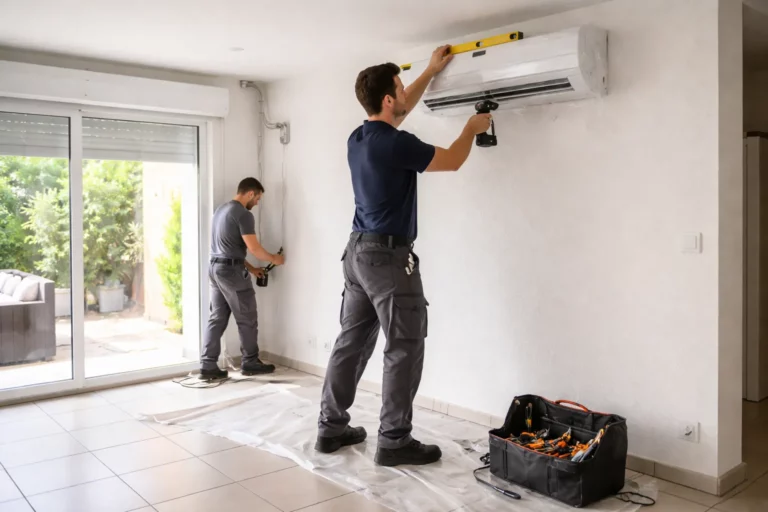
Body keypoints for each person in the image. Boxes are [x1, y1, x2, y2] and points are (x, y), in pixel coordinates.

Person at [315, 46, 493, 466]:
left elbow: (401, 109)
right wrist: (471, 127)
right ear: (389, 99)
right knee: (404, 345)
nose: (403, 94)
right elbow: (451, 161)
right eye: (398, 87)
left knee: (351, 342)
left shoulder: (359, 138)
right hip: (388, 259)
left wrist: (431, 70)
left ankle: (331, 428)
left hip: (356, 252)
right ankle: (394, 440)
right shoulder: (396, 143)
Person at [201, 177, 285, 379]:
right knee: (247, 318)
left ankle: (207, 366)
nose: (257, 203)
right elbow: (254, 248)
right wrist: (276, 258)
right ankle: (250, 362)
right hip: (231, 273)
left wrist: (252, 269)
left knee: (217, 318)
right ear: (250, 193)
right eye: (257, 198)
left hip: (215, 269)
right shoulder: (243, 214)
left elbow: (228, 250)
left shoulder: (220, 210)